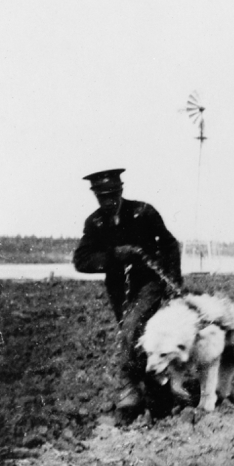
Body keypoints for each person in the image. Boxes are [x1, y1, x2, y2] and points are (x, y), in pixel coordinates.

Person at [73, 169, 183, 420]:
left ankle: (131, 391)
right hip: (119, 289)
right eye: (101, 196)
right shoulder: (95, 223)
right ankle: (158, 395)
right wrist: (113, 256)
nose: (107, 200)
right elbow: (81, 260)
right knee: (136, 338)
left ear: (121, 190)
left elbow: (169, 244)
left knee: (132, 329)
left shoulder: (143, 212)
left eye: (111, 194)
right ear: (95, 195)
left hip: (149, 283)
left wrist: (174, 282)